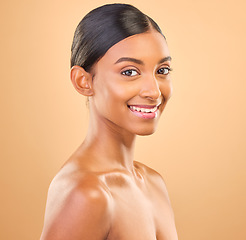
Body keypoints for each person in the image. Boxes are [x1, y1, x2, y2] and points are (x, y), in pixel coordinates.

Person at [40, 3, 178, 240]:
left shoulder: (154, 183)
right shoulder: (86, 194)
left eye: (162, 70)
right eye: (129, 72)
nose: (154, 92)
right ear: (84, 81)